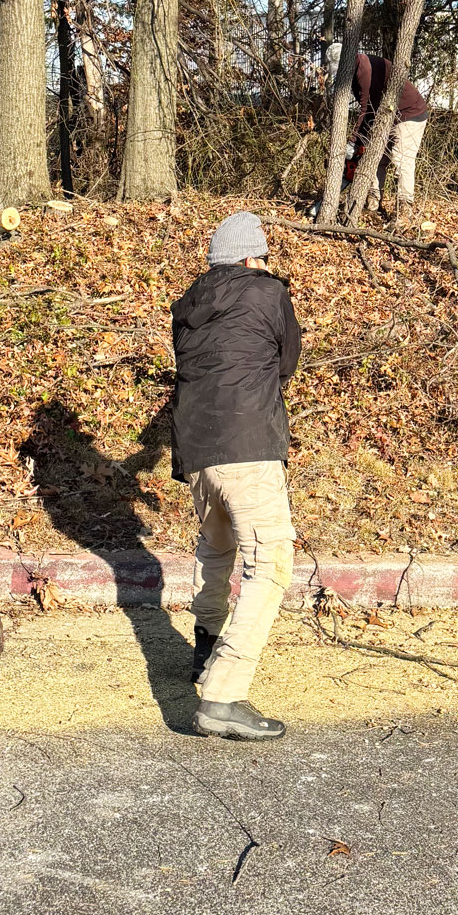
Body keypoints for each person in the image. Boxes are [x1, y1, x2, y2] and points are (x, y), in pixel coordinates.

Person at [170, 211, 302, 740]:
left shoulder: (188, 304)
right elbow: (286, 362)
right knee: (269, 564)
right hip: (249, 443)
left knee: (217, 545)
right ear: (251, 257)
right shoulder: (268, 292)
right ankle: (223, 696)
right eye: (263, 258)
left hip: (198, 450)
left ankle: (205, 648)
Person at [326, 42, 430, 219]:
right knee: (376, 157)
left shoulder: (365, 70)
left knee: (401, 160)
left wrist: (354, 142)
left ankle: (405, 208)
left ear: (348, 60)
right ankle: (373, 202)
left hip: (410, 113)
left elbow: (367, 109)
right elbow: (369, 109)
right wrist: (360, 140)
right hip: (387, 115)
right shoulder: (353, 72)